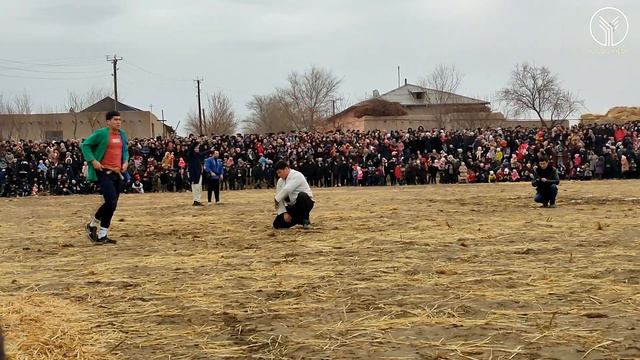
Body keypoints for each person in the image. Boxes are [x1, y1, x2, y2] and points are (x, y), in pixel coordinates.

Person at [81, 111, 129, 245]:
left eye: (120, 119)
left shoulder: (122, 134)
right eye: (115, 119)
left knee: (112, 205)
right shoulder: (101, 133)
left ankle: (103, 234)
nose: (118, 122)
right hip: (104, 171)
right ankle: (93, 223)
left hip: (117, 173)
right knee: (111, 201)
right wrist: (93, 160)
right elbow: (85, 145)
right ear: (108, 121)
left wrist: (125, 162)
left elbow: (125, 150)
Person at [272, 161, 315, 229]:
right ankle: (299, 220)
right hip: (292, 207)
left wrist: (276, 199)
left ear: (286, 169)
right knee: (277, 224)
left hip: (305, 203)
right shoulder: (280, 181)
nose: (278, 175)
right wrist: (284, 213)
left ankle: (305, 221)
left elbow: (288, 189)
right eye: (277, 173)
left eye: (279, 172)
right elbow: (280, 199)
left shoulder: (297, 175)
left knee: (302, 195)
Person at [188, 138, 204, 206]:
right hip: (194, 174)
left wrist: (210, 150)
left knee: (199, 188)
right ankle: (196, 200)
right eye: (196, 148)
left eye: (198, 148)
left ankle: (198, 200)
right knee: (195, 188)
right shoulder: (191, 154)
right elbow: (191, 148)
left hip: (199, 173)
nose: (198, 149)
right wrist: (195, 142)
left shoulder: (198, 155)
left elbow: (203, 153)